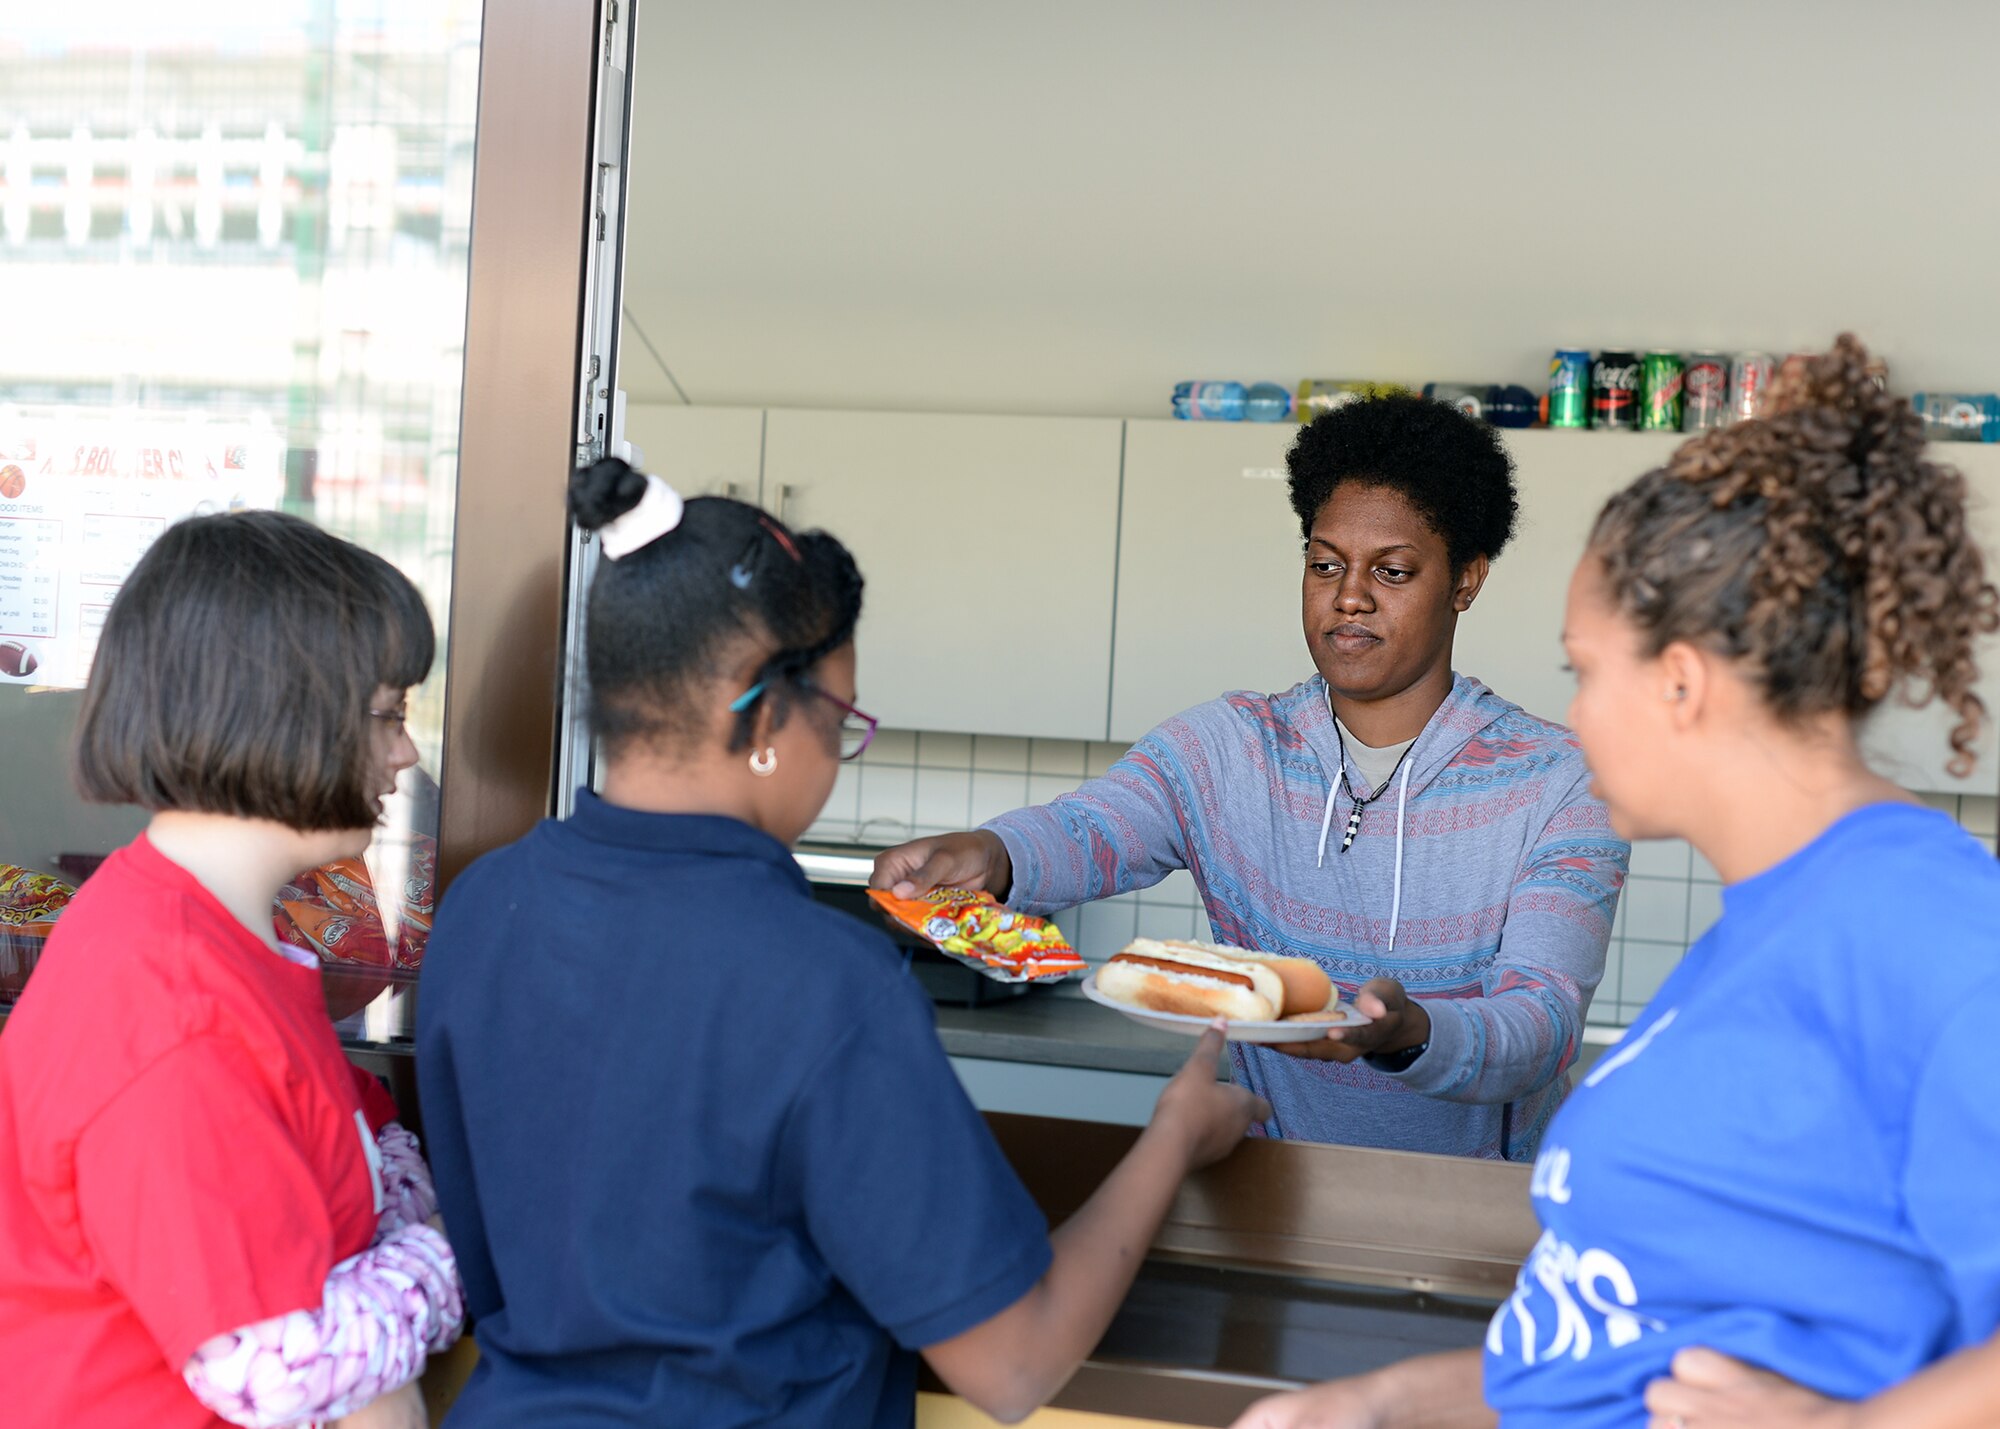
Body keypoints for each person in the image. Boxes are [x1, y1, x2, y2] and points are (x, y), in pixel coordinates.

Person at [1228, 335, 2000, 1429]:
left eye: (1583, 671)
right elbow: (1609, 1356)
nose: (1573, 714)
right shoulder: (1760, 935)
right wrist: (1372, 1404)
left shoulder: (1926, 927)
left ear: (1679, 683)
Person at [415, 459, 1269, 1427]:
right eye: (841, 718)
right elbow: (1012, 1361)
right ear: (769, 714)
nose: (836, 751)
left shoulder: (483, 910)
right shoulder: (823, 980)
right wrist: (1172, 1136)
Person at [876, 395, 1628, 1159]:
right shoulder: (1231, 747)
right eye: (1325, 562)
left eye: (1392, 570)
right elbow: (1091, 828)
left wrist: (1411, 1033)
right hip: (1274, 1190)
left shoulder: (1559, 782)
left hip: (1473, 1224)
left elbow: (1541, 1023)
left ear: (1466, 580)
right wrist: (993, 853)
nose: (1350, 595)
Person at [0, 511, 464, 1429]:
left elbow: (350, 1155)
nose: (405, 752)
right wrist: (459, 1251)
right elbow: (276, 1365)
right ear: (281, 714)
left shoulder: (208, 936)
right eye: (387, 714)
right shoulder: (172, 1005)